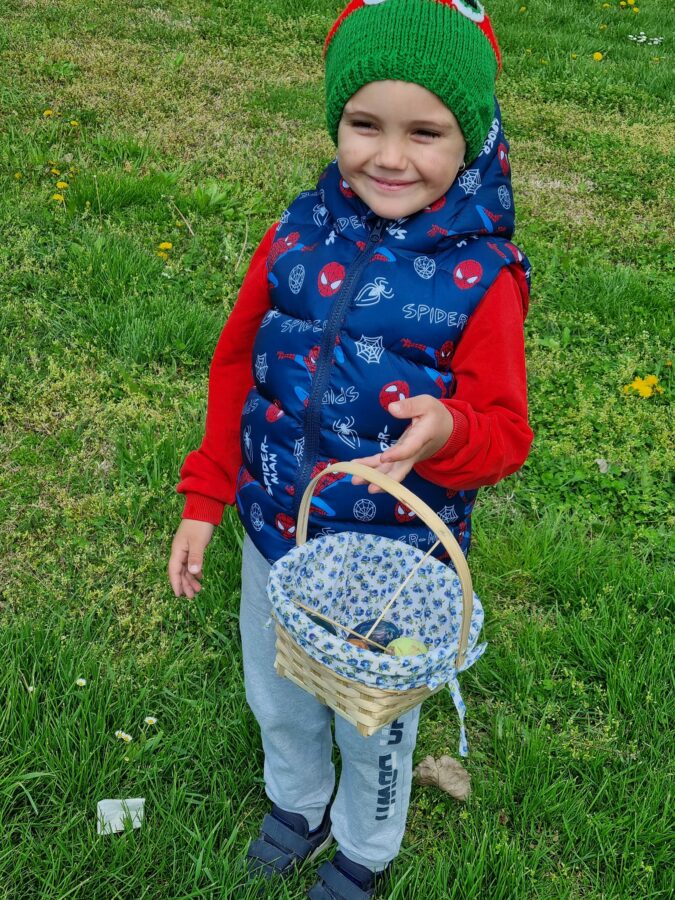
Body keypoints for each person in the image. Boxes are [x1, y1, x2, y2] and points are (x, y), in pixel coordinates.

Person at [168, 1, 532, 896]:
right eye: (364, 124)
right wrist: (207, 496)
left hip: (392, 565)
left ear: (472, 139)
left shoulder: (482, 279)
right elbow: (236, 365)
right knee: (279, 691)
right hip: (274, 531)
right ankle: (297, 801)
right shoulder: (296, 232)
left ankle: (366, 847)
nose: (390, 157)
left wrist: (448, 431)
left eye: (425, 132)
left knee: (373, 723)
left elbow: (504, 434)